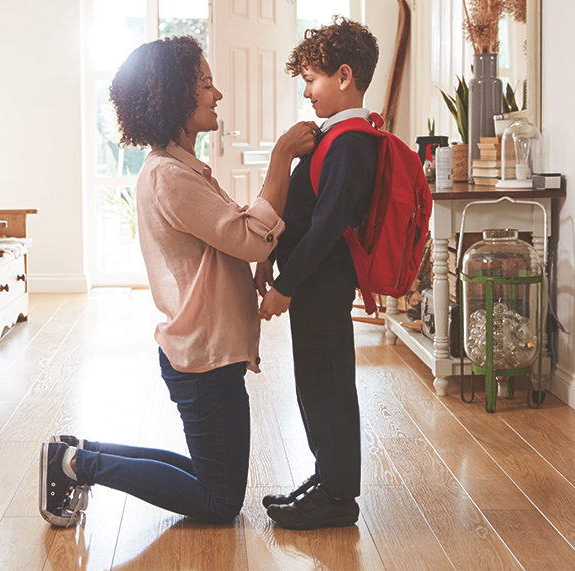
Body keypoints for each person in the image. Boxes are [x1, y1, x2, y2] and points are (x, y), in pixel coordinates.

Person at [39, 35, 317, 527]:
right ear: (174, 99)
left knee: (211, 476)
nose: (218, 95)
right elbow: (251, 237)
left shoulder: (180, 169)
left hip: (205, 353)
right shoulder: (171, 176)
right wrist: (281, 158)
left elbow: (232, 239)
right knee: (220, 500)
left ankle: (77, 452)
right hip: (204, 359)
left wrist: (255, 255)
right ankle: (78, 465)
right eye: (206, 84)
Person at [254, 16, 381, 530]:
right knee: (314, 383)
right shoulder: (335, 136)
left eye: (311, 79)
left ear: (344, 76)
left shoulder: (351, 141)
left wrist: (285, 286)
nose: (306, 91)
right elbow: (305, 212)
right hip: (314, 283)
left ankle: (338, 496)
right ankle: (327, 478)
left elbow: (328, 226)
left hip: (322, 284)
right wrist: (270, 254)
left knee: (328, 385)